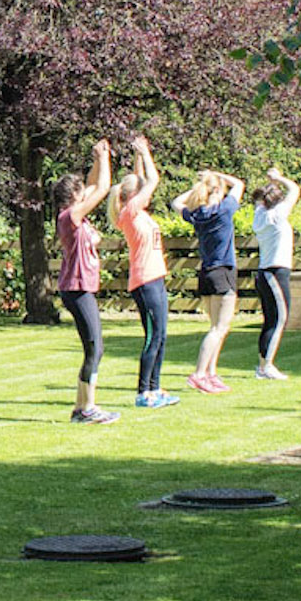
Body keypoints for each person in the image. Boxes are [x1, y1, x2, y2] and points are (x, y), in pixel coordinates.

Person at [53, 137, 121, 424]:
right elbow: (102, 188)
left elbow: (94, 185)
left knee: (93, 348)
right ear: (74, 196)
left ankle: (80, 409)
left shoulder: (73, 213)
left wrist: (96, 158)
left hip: (80, 289)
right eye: (82, 191)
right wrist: (104, 158)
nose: (87, 192)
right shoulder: (70, 216)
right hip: (77, 289)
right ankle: (88, 408)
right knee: (96, 347)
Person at [110, 135, 177, 408]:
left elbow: (140, 179)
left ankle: (156, 388)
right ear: (131, 196)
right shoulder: (129, 212)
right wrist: (146, 152)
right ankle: (142, 392)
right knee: (152, 336)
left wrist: (138, 156)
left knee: (162, 334)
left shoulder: (138, 212)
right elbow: (152, 181)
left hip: (155, 279)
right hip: (144, 281)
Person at [175, 167, 246, 393]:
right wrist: (216, 176)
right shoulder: (224, 210)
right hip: (223, 271)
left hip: (206, 273)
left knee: (216, 327)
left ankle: (210, 373)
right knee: (219, 328)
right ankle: (198, 374)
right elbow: (239, 185)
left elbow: (177, 202)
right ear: (217, 191)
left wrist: (200, 187)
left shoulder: (197, 215)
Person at [250, 168, 301, 380]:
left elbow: (262, 200)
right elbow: (294, 189)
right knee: (279, 319)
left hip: (265, 272)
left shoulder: (259, 214)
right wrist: (278, 178)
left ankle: (264, 365)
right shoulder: (277, 215)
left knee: (271, 320)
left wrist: (271, 184)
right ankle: (266, 366)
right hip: (275, 272)